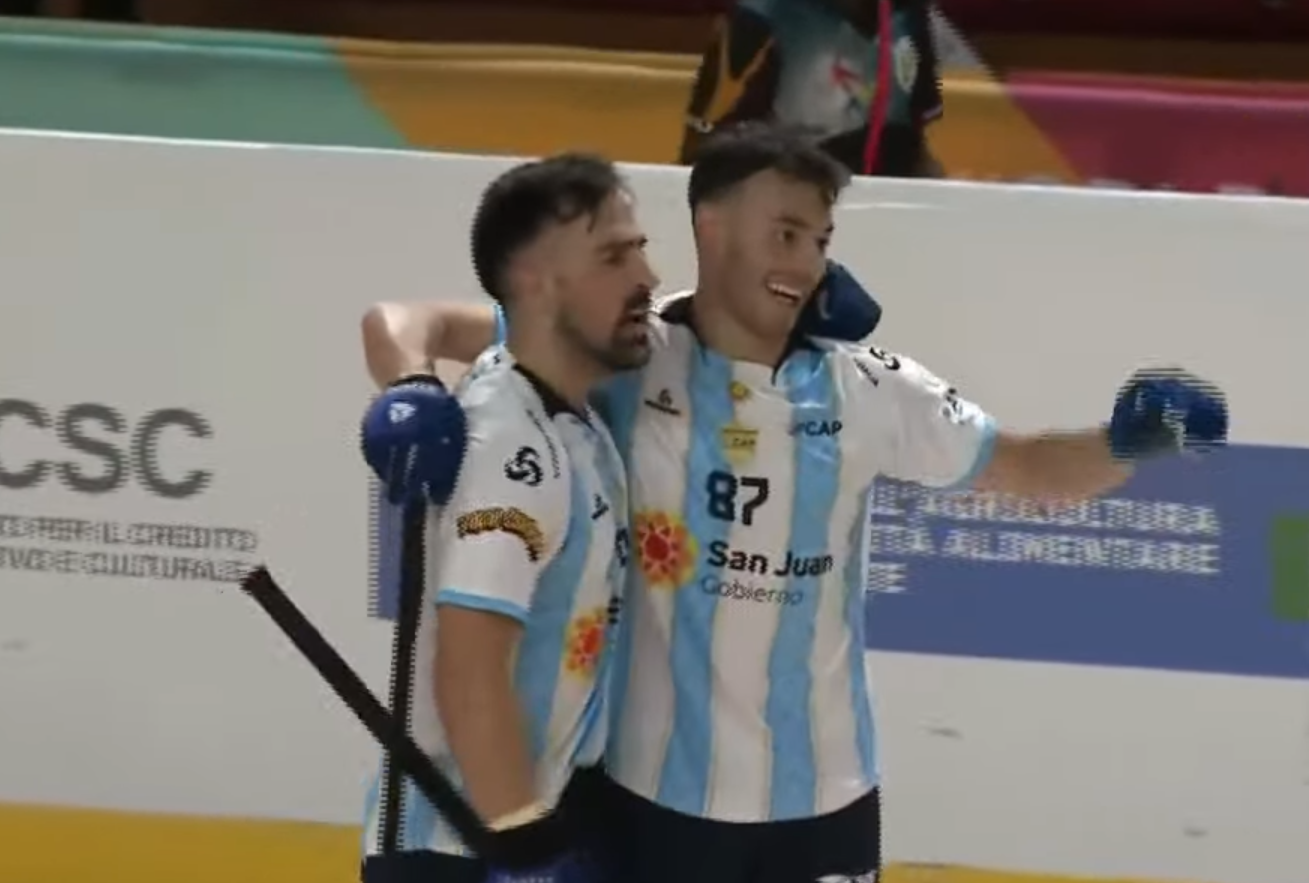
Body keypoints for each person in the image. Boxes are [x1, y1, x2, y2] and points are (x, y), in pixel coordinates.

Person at [359, 123, 1227, 883]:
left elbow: (1030, 468)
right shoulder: (637, 353)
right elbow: (419, 323)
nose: (806, 261)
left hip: (828, 799)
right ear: (709, 226)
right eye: (782, 231)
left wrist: (1130, 444)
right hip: (652, 801)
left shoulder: (873, 387)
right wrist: (409, 386)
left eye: (818, 238)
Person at [358, 153, 657, 883]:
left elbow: (399, 318)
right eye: (614, 256)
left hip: (507, 828)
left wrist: (411, 380)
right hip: (460, 848)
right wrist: (521, 836)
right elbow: (469, 668)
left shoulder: (553, 396)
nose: (646, 277)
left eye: (640, 249)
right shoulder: (511, 447)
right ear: (534, 283)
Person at [680, 0, 944, 177]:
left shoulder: (911, 17)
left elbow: (913, 138)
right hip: (781, 182)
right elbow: (703, 135)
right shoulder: (766, 13)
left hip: (875, 196)